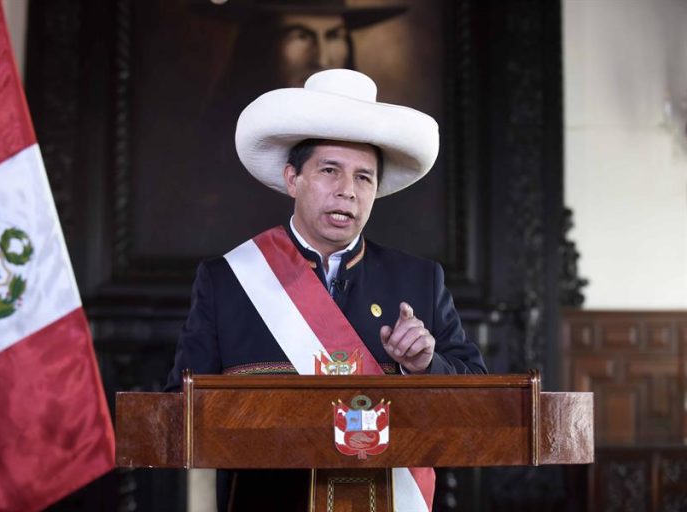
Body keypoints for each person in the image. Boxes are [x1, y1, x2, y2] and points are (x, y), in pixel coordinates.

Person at [165, 68, 487, 511]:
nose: (347, 191)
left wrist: (425, 366)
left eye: (363, 177)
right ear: (292, 178)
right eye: (330, 170)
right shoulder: (229, 280)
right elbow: (178, 411)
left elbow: (481, 405)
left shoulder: (419, 280)